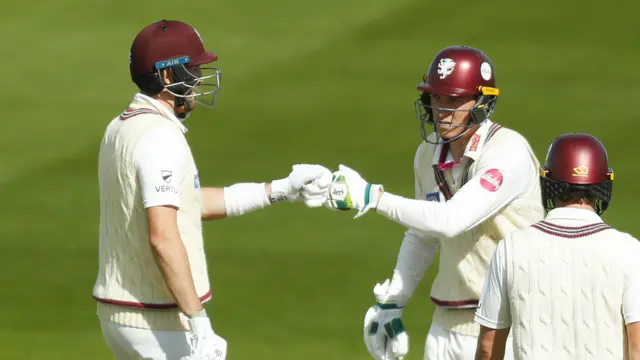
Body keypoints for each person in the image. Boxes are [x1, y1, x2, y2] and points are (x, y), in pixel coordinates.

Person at [93, 19, 331, 360]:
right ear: (166, 77)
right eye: (191, 70)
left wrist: (280, 189)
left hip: (120, 318)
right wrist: (198, 321)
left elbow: (189, 202)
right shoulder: (161, 137)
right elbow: (162, 235)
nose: (198, 81)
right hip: (157, 320)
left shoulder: (119, 127)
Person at [305, 45, 545, 360]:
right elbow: (423, 233)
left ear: (483, 102)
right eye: (436, 98)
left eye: (455, 101)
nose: (442, 111)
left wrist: (371, 197)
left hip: (510, 325)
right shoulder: (427, 154)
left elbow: (452, 220)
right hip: (445, 326)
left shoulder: (506, 152)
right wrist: (393, 301)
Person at [473, 133, 640, 360]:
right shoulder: (629, 250)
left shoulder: (511, 248)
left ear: (547, 182)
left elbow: (488, 346)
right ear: (603, 185)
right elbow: (637, 345)